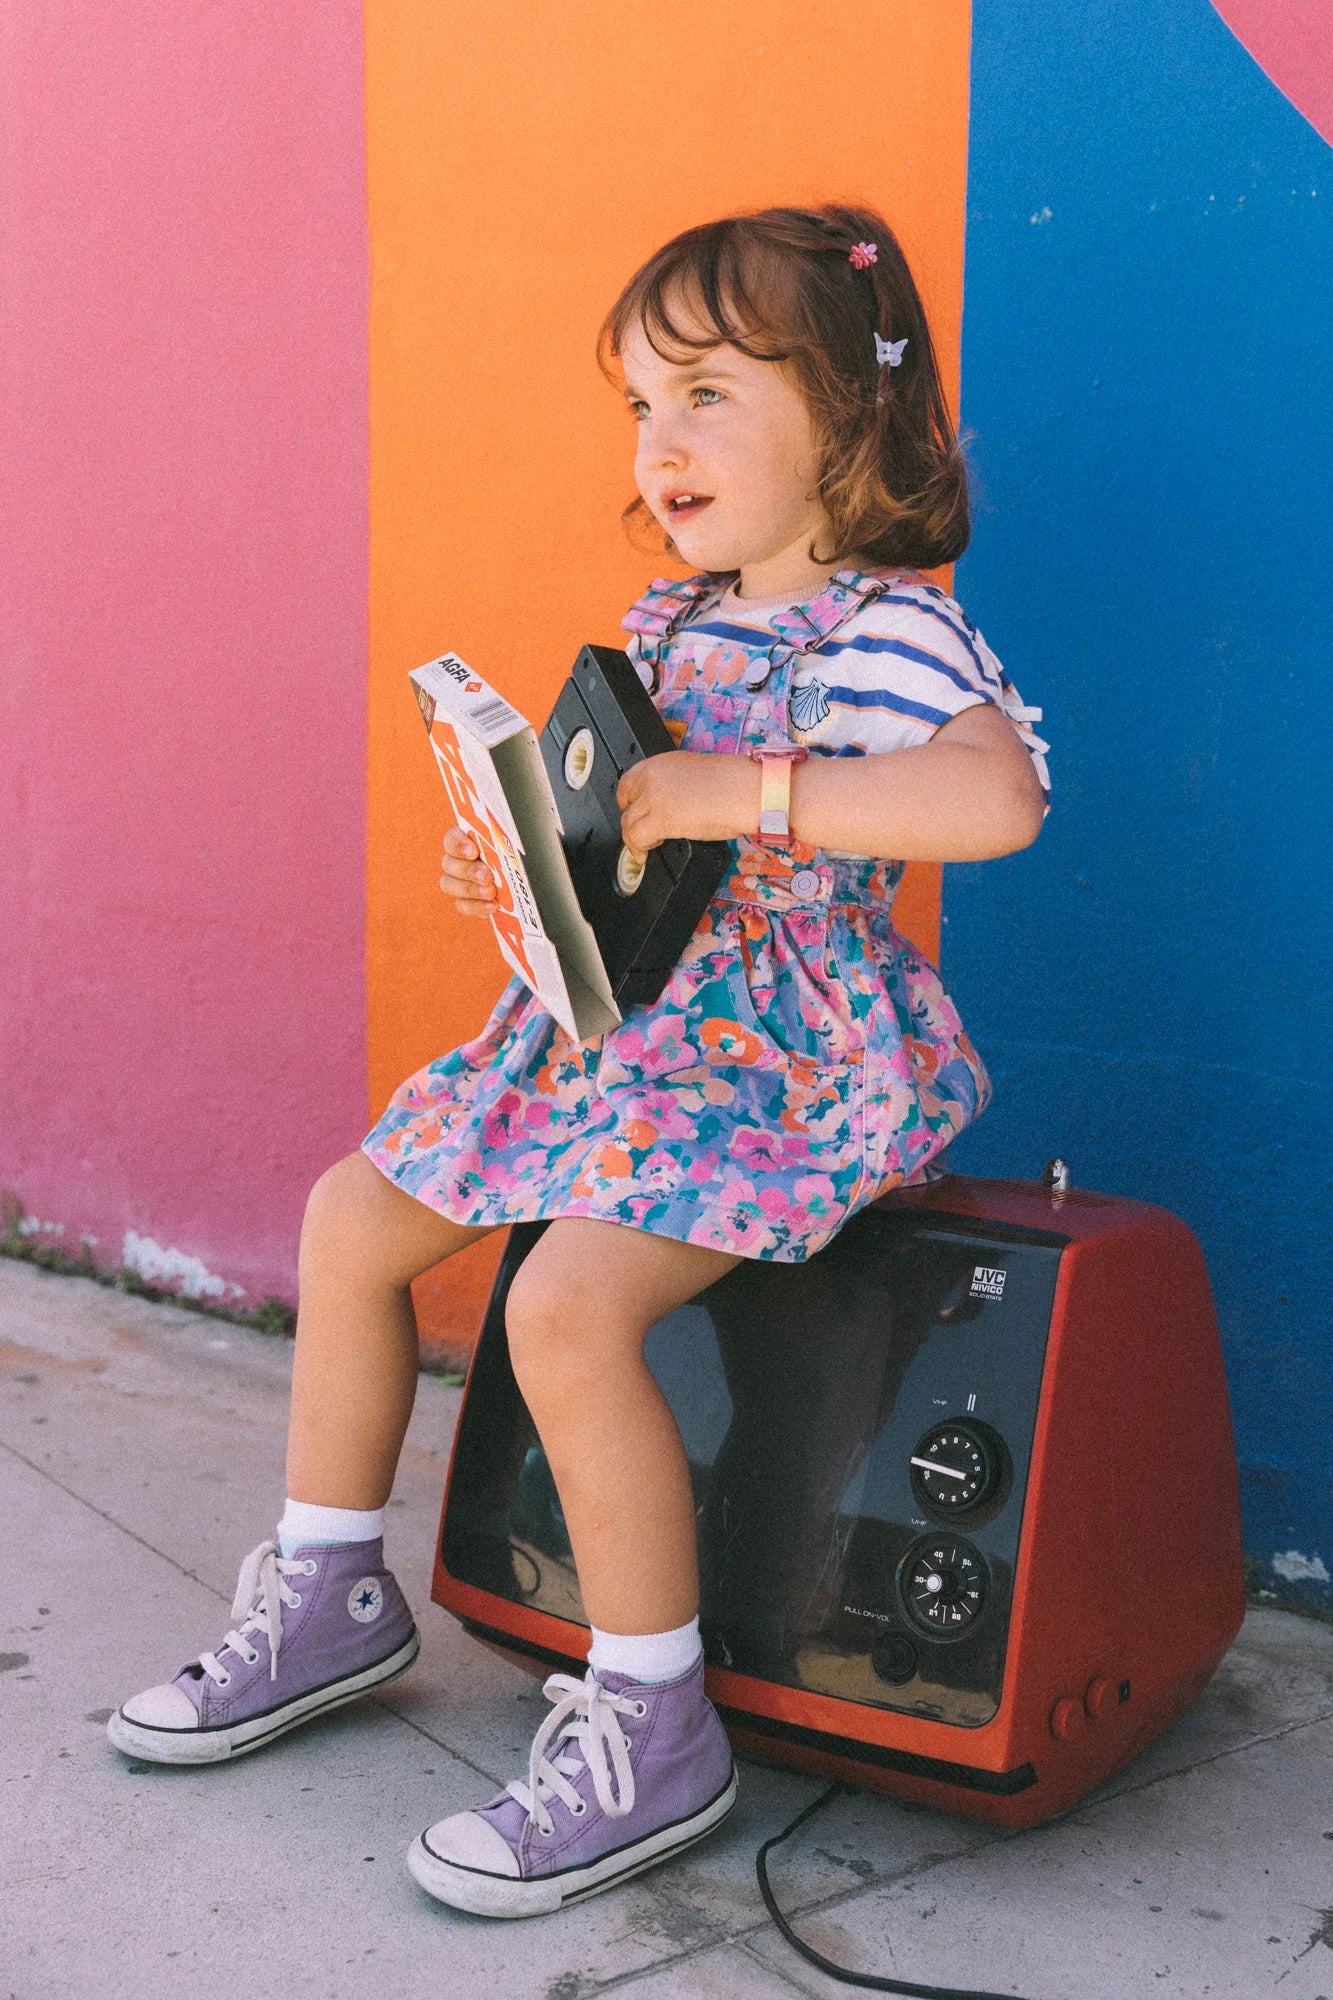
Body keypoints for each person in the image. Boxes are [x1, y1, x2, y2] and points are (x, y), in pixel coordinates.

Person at [108, 203, 1050, 1918]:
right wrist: (529, 853)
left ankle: (651, 1716)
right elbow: (635, 853)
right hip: (611, 1026)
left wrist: (745, 792)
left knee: (559, 1305)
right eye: (637, 402)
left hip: (776, 1064)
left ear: (847, 415)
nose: (658, 441)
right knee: (349, 1219)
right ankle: (329, 1590)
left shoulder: (881, 632)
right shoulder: (670, 611)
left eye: (701, 393)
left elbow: (994, 801)